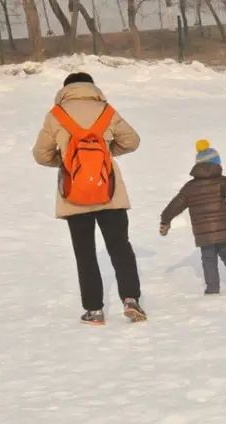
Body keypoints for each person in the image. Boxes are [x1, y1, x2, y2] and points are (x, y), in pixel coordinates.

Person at [32, 72, 146, 325]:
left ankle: (94, 310)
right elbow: (132, 141)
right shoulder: (106, 110)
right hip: (110, 192)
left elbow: (40, 154)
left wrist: (67, 164)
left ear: (65, 89)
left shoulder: (56, 115)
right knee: (120, 248)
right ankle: (131, 299)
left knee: (85, 253)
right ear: (91, 87)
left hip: (74, 195)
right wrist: (106, 154)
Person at [160, 140, 226, 295]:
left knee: (208, 258)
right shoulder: (222, 182)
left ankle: (212, 288)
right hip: (224, 228)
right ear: (217, 164)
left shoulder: (189, 188)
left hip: (203, 232)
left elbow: (175, 205)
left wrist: (165, 219)